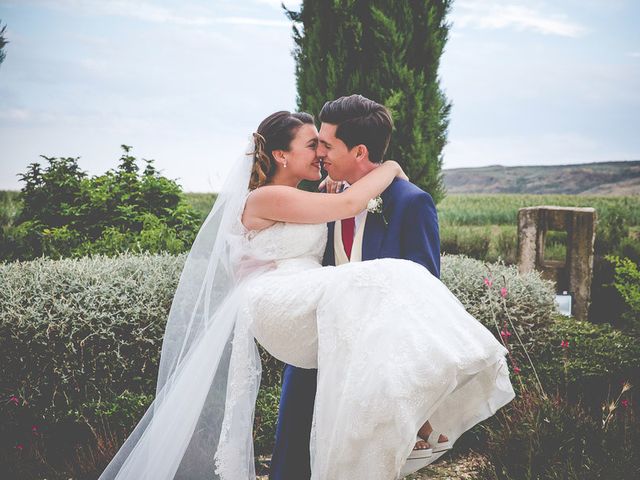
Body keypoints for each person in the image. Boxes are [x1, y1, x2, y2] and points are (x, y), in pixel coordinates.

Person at [97, 106, 515, 480]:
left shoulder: (311, 197)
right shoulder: (269, 196)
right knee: (388, 276)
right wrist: (389, 169)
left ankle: (417, 419)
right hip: (280, 299)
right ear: (281, 154)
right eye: (312, 144)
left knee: (397, 279)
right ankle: (466, 362)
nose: (320, 153)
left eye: (325, 144)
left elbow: (405, 264)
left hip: (318, 310)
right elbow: (348, 207)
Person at [269, 95, 445, 480]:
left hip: (374, 367)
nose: (320, 155)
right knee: (293, 461)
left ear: (360, 150)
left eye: (327, 145)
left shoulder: (411, 203)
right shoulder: (327, 198)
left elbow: (425, 296)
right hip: (314, 357)